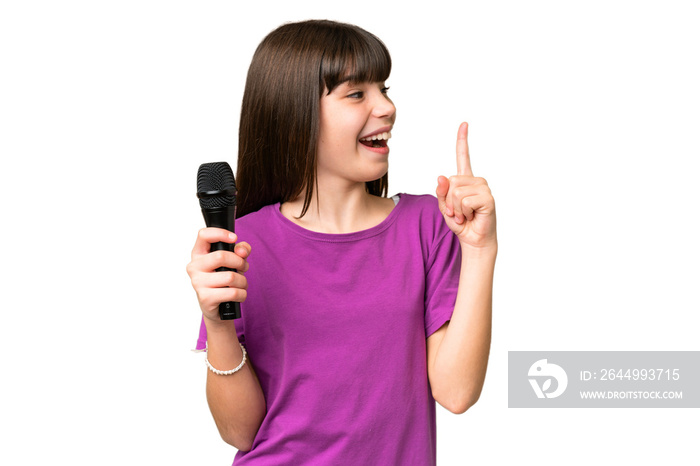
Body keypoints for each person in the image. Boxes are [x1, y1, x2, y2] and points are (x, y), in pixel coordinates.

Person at [186, 19, 497, 465]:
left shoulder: (428, 224)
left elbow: (456, 392)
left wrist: (481, 250)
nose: (386, 107)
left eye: (384, 89)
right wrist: (217, 324)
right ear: (294, 113)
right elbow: (241, 431)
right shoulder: (243, 242)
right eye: (357, 94)